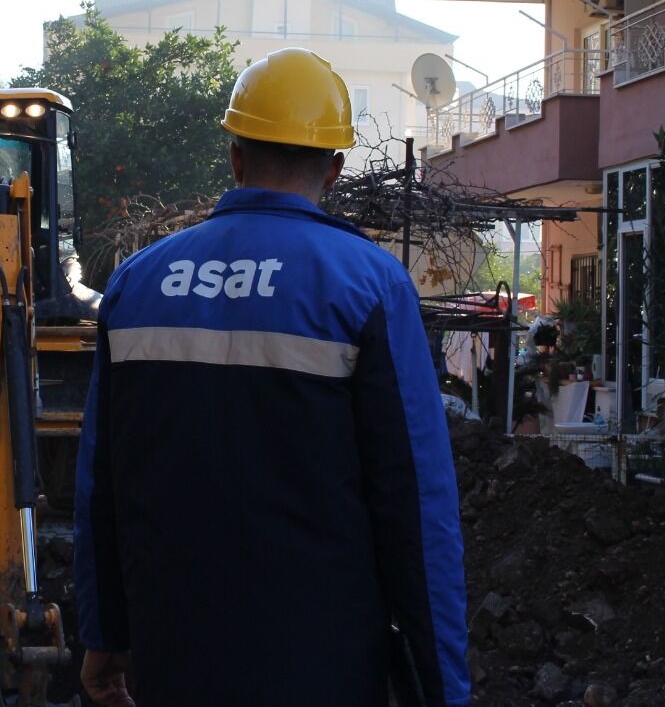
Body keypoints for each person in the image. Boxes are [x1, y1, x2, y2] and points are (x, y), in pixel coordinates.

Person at [73, 48, 471, 707]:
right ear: (335, 170)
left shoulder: (137, 283)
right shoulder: (368, 286)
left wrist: (103, 632)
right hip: (323, 665)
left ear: (235, 156)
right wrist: (442, 687)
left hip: (173, 657)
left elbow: (101, 487)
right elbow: (416, 505)